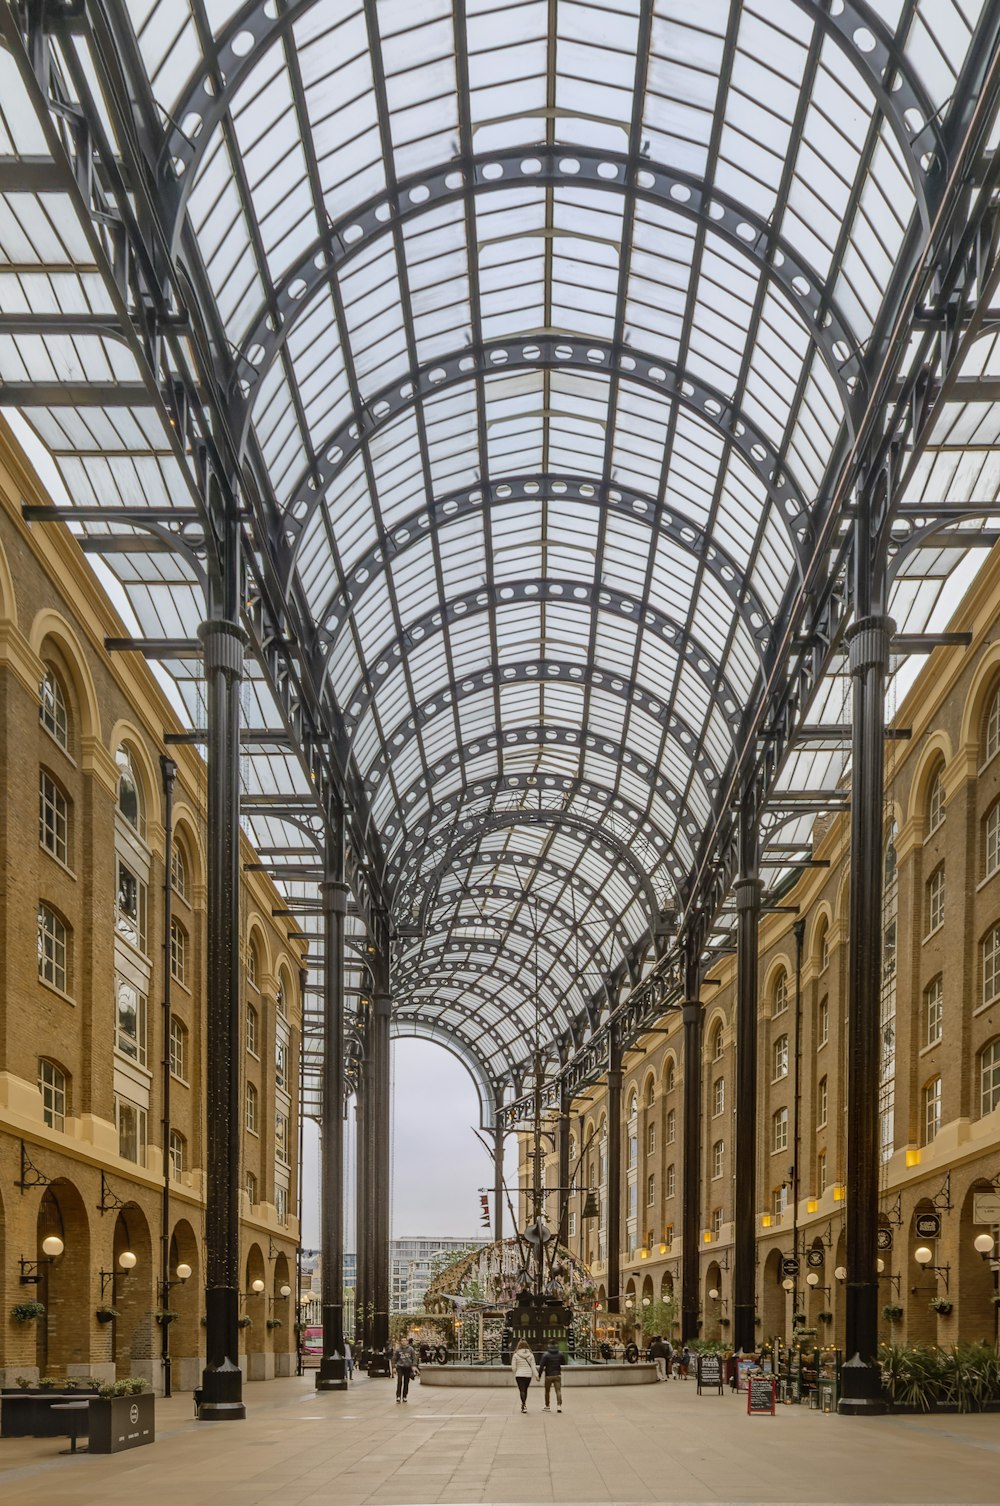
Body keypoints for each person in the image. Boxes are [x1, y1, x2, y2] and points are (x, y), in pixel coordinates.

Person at [510, 1338, 538, 1413]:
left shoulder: (516, 1355)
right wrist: (536, 1375)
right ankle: (524, 1404)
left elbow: (513, 1367)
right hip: (528, 1375)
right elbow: (533, 1366)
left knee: (521, 1390)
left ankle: (524, 1405)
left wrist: (516, 1372)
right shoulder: (531, 1355)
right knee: (525, 1390)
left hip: (519, 1375)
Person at [538, 1342, 563, 1412]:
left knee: (547, 1391)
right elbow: (563, 1362)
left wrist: (539, 1375)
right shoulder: (560, 1354)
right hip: (557, 1374)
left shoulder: (545, 1355)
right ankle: (559, 1406)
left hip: (548, 1375)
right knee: (558, 1391)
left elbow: (541, 1366)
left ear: (549, 1346)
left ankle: (547, 1406)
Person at [393, 1335, 418, 1402]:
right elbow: (395, 1359)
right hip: (400, 1367)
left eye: (405, 1341)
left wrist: (414, 1366)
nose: (403, 1342)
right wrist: (394, 1367)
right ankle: (398, 1396)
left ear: (407, 1342)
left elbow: (414, 1358)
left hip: (408, 1367)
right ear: (401, 1342)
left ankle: (404, 1396)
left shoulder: (411, 1349)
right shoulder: (398, 1350)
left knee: (406, 1382)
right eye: (402, 1341)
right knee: (399, 1381)